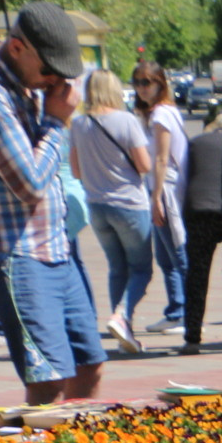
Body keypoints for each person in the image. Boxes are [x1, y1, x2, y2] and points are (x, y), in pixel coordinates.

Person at [0, 3, 104, 401]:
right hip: (17, 254)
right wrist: (55, 121)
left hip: (57, 243)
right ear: (16, 48)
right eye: (49, 70)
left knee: (89, 364)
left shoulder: (27, 81)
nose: (54, 82)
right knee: (48, 379)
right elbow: (29, 183)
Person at [71, 69, 154, 351]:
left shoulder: (79, 124)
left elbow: (75, 169)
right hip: (129, 204)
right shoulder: (126, 120)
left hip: (96, 206)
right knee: (142, 269)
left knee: (117, 268)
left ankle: (123, 333)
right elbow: (144, 165)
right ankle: (122, 316)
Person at [133, 63, 189, 339]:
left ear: (160, 83)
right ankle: (177, 310)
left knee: (179, 255)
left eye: (148, 82)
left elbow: (162, 159)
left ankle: (190, 313)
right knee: (166, 258)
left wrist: (155, 199)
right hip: (163, 189)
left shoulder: (161, 115)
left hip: (166, 190)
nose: (142, 88)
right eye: (138, 82)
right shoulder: (160, 113)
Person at [177, 108, 222, 354]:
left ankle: (192, 336)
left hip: (198, 212)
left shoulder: (195, 142)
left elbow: (183, 178)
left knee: (197, 275)